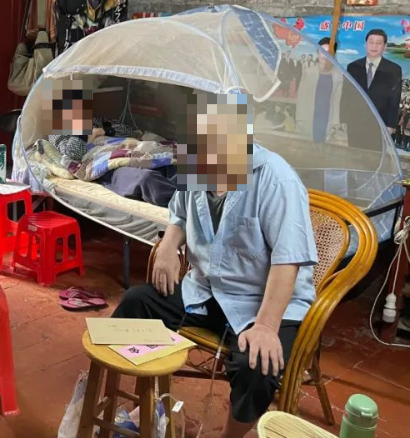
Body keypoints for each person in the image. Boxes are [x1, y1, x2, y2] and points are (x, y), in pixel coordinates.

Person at [112, 92, 318, 438]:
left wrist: (266, 326)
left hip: (261, 303)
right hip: (206, 289)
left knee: (257, 366)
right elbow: (179, 215)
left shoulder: (276, 179)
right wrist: (169, 244)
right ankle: (150, 403)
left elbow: (289, 260)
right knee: (136, 304)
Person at [346, 29, 402, 148]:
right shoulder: (353, 67)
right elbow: (346, 95)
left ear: (384, 46)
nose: (374, 46)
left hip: (380, 125)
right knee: (353, 155)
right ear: (365, 44)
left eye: (378, 43)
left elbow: (395, 100)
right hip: (354, 123)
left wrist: (391, 125)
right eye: (371, 42)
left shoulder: (394, 69)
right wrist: (343, 121)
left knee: (374, 156)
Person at [295, 37, 342, 143]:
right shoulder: (308, 72)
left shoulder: (338, 76)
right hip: (309, 117)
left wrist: (336, 122)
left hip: (327, 118)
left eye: (328, 52)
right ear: (317, 52)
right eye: (321, 51)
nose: (324, 55)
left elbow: (336, 101)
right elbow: (301, 97)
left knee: (324, 148)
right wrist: (300, 119)